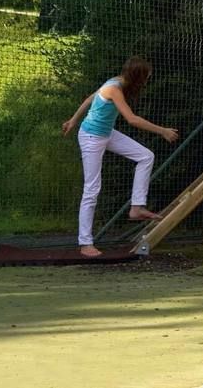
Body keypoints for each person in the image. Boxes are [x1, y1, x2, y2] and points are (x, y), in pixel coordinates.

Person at [61, 57, 179, 257]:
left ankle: (136, 207)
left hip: (106, 133)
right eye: (146, 77)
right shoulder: (114, 88)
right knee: (92, 188)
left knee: (145, 156)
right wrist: (162, 131)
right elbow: (132, 119)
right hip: (91, 137)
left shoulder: (117, 82)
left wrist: (72, 120)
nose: (146, 81)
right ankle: (85, 243)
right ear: (137, 77)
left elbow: (90, 99)